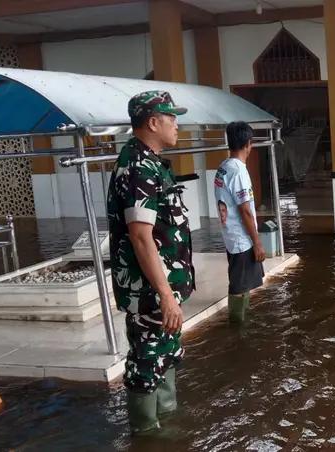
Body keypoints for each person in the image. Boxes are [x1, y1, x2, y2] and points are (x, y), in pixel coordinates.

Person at [107, 91, 195, 435]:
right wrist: (165, 295)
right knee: (146, 363)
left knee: (167, 353)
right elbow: (141, 237)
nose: (177, 125)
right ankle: (146, 434)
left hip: (161, 291)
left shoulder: (152, 163)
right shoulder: (137, 167)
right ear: (152, 122)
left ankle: (167, 424)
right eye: (171, 118)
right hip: (149, 294)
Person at [214, 121, 266, 324]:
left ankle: (244, 319)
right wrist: (257, 242)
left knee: (243, 284)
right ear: (248, 144)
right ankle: (237, 327)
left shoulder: (223, 167)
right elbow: (245, 210)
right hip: (241, 239)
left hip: (231, 235)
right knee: (238, 286)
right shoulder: (238, 172)